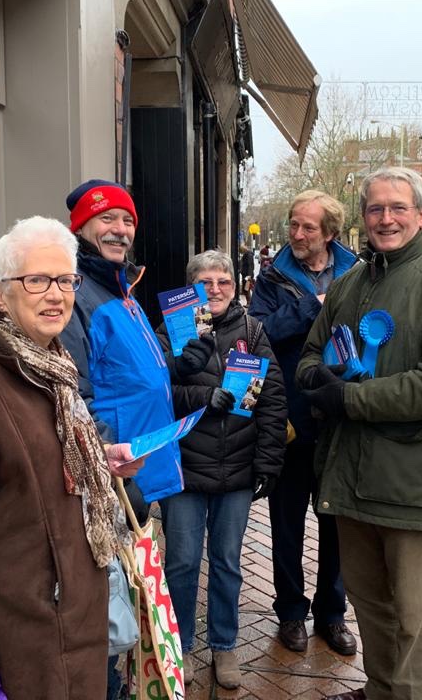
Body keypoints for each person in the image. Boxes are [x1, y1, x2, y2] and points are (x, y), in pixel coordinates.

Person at [0, 217, 144, 700]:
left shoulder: (51, 366)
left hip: (69, 631)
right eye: (36, 280)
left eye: (65, 281)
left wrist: (100, 458)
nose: (55, 295)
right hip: (21, 650)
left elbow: (41, 460)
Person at [297, 167, 422, 700]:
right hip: (349, 477)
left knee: (416, 620)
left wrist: (349, 399)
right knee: (371, 605)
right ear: (363, 217)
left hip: (409, 483)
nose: (386, 219)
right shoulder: (350, 284)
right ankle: (382, 691)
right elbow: (311, 354)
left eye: (398, 208)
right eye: (376, 208)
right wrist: (316, 378)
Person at [60, 179, 213, 699]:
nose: (120, 230)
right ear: (81, 227)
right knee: (110, 604)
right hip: (114, 479)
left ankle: (121, 684)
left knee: (129, 596)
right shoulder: (77, 295)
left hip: (141, 471)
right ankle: (109, 689)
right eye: (106, 219)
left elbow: (132, 375)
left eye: (127, 220)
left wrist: (176, 366)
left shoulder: (122, 291)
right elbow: (73, 394)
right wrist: (108, 457)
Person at [155, 250, 287, 689]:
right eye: (205, 282)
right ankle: (180, 645)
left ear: (235, 286)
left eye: (223, 281)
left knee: (228, 562)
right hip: (186, 469)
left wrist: (268, 461)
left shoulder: (253, 331)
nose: (215, 289)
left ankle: (224, 645)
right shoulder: (170, 331)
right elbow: (154, 393)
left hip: (237, 469)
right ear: (191, 287)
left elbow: (272, 400)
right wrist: (200, 397)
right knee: (182, 562)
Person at [247, 190, 359, 657]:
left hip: (338, 419)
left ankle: (332, 613)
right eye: (293, 224)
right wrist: (314, 305)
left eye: (307, 227)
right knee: (287, 523)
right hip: (290, 419)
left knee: (336, 525)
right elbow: (259, 333)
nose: (296, 234)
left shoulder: (356, 273)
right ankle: (291, 612)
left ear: (329, 233)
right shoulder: (272, 277)